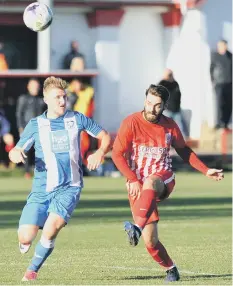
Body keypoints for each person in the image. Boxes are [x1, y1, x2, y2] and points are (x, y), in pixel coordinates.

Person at [111, 84, 224, 282]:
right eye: (149, 103)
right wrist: (132, 178)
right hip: (138, 185)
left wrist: (206, 170)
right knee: (150, 241)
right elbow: (117, 155)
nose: (151, 109)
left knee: (151, 181)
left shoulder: (170, 125)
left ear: (164, 106)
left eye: (157, 105)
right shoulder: (130, 122)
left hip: (163, 178)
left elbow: (184, 151)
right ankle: (171, 268)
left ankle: (135, 227)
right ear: (145, 101)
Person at [9, 76, 111, 282]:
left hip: (69, 188)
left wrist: (100, 153)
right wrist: (16, 154)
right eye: (58, 97)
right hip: (41, 190)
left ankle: (32, 270)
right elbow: (16, 149)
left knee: (50, 229)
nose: (63, 101)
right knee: (25, 237)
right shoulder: (36, 125)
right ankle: (31, 231)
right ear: (46, 99)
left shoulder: (77, 119)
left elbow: (105, 136)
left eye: (64, 97)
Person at [16, 78, 45, 178]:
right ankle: (27, 172)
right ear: (28, 87)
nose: (35, 88)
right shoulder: (23, 98)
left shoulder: (42, 99)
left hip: (41, 128)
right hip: (27, 128)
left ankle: (41, 171)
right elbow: (19, 114)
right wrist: (21, 127)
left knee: (41, 150)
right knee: (26, 150)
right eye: (33, 86)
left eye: (37, 86)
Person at [210, 40, 232, 129]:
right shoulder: (215, 56)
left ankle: (226, 122)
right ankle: (219, 122)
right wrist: (213, 80)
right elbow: (211, 69)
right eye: (221, 45)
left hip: (229, 83)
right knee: (219, 103)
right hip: (219, 83)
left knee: (229, 103)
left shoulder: (230, 56)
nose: (223, 47)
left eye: (224, 45)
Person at [159, 69, 186, 137]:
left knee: (179, 128)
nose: (171, 76)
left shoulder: (175, 83)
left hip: (176, 110)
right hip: (167, 111)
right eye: (169, 75)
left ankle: (181, 144)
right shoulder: (162, 84)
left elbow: (178, 95)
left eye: (171, 74)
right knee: (165, 128)